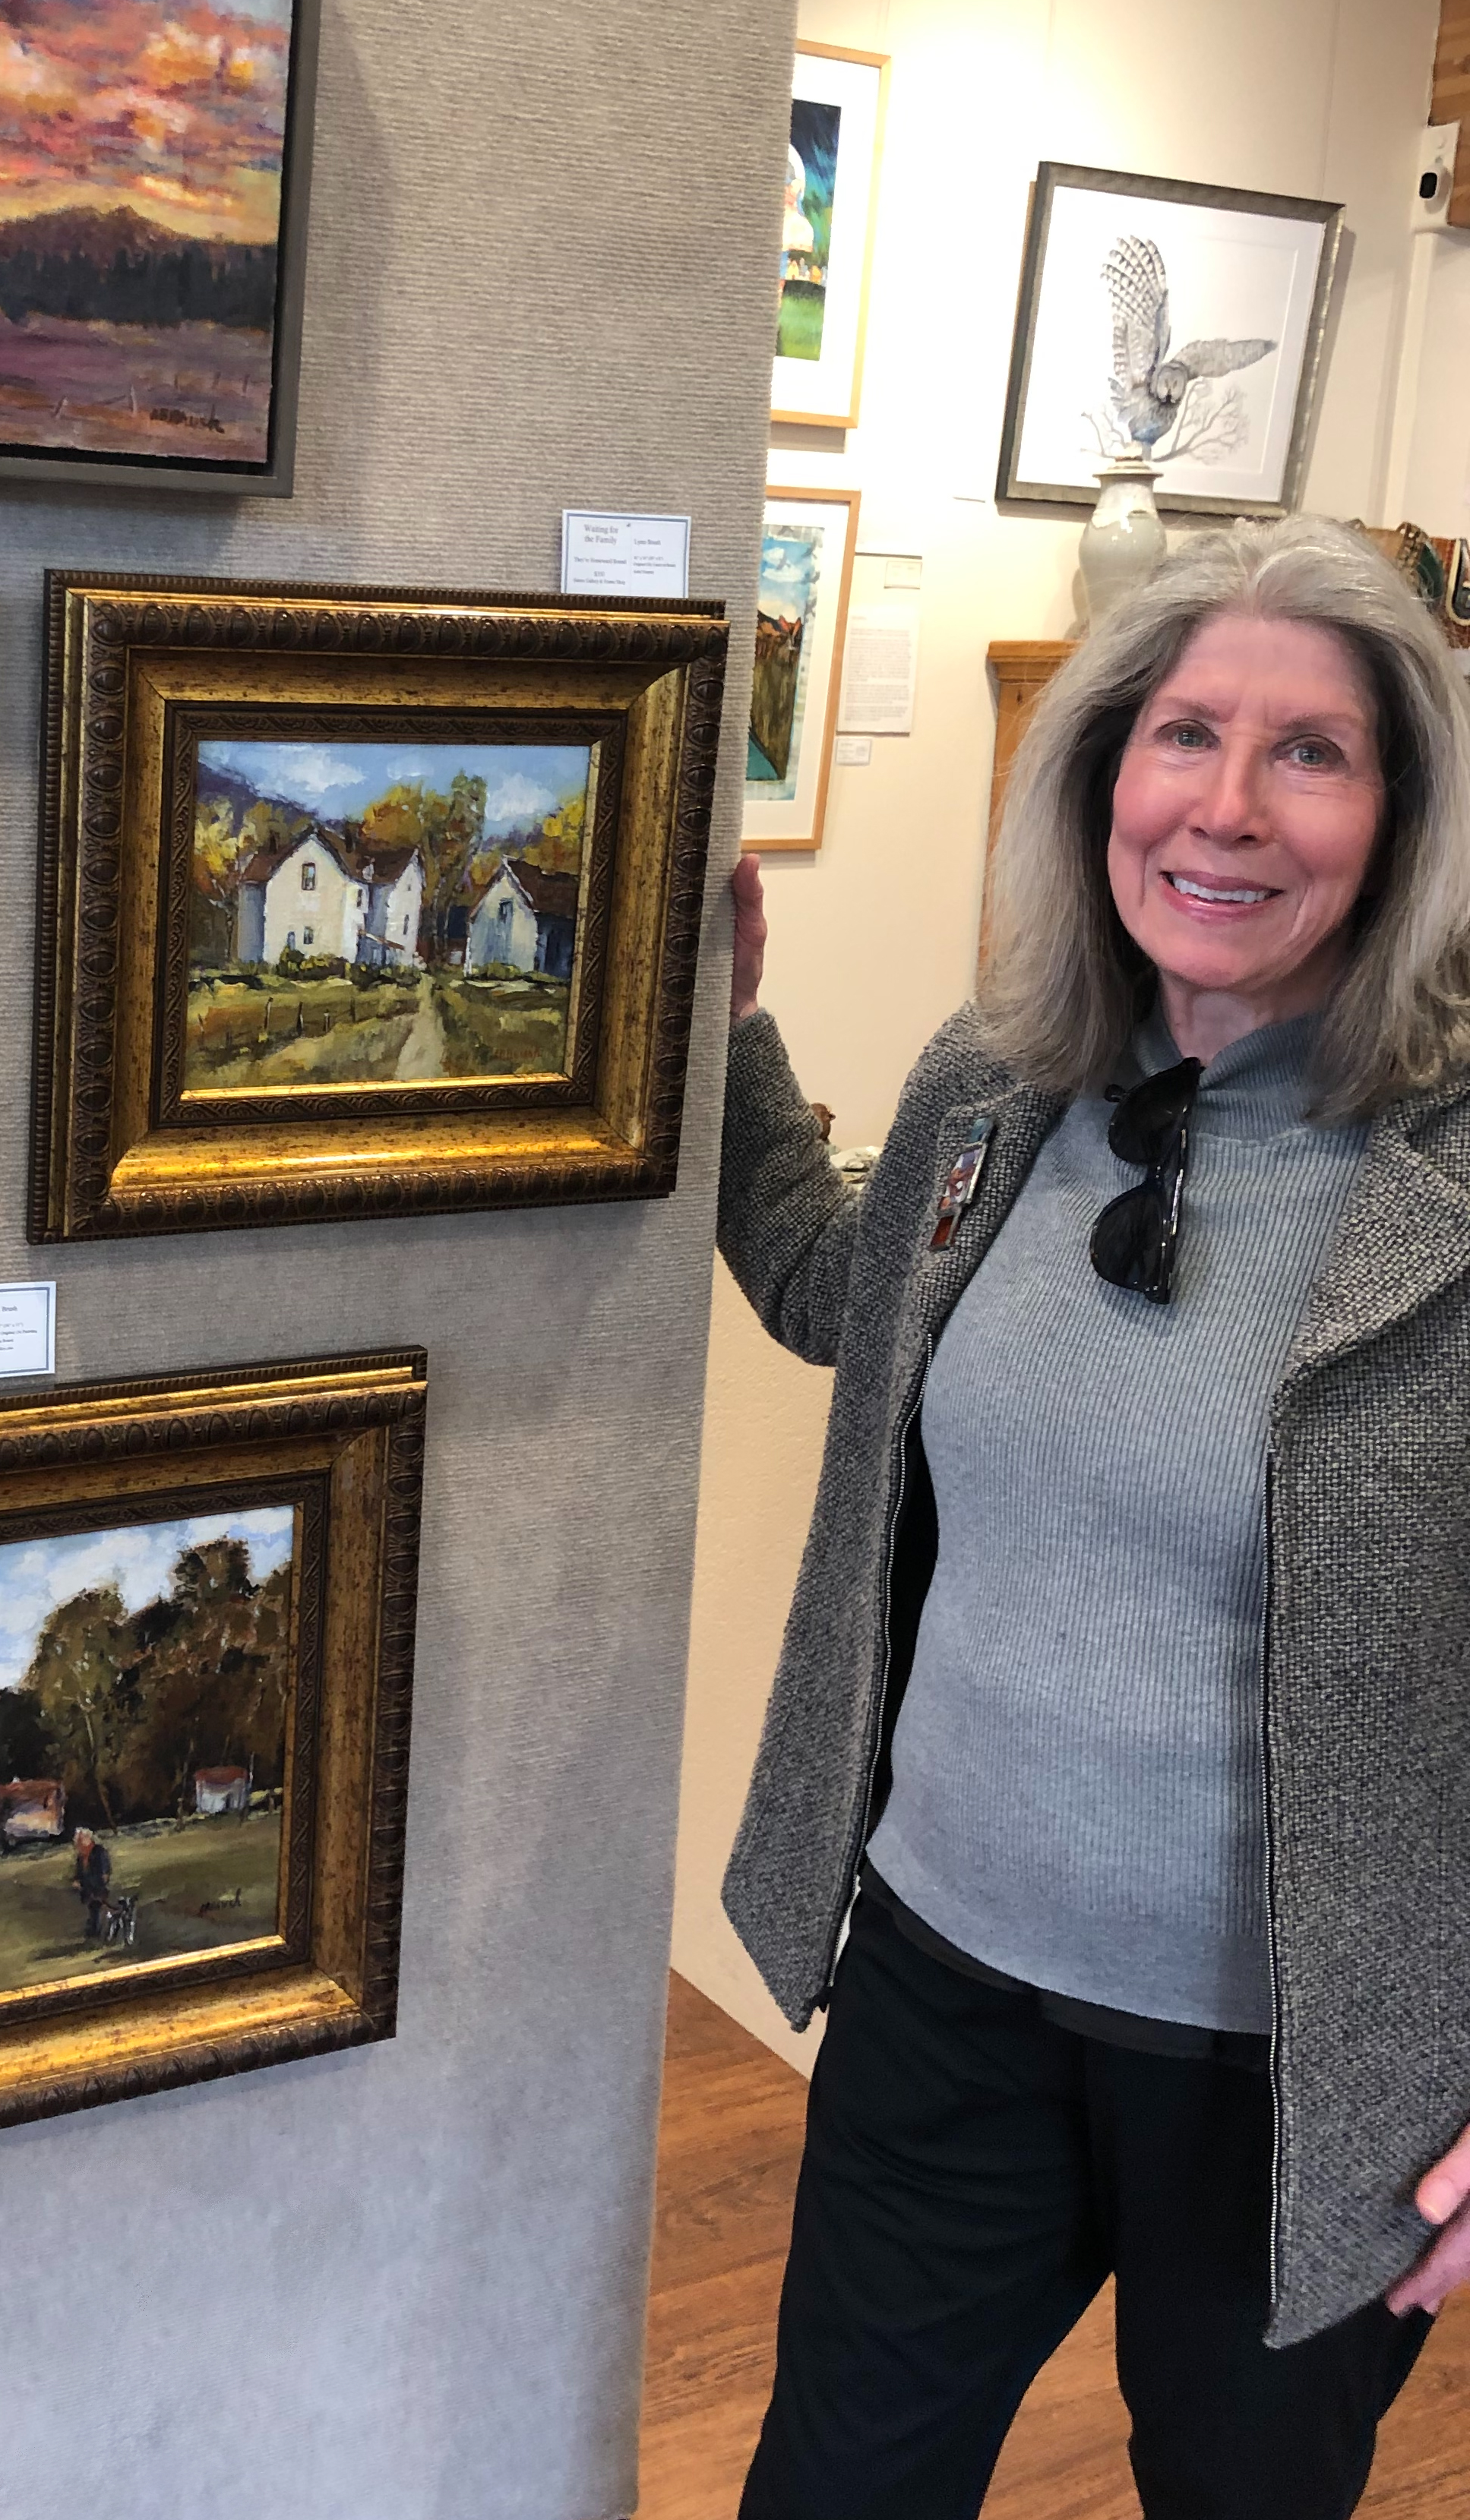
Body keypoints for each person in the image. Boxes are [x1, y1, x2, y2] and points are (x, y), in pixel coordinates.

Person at [715, 518, 1470, 2520]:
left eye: (1311, 752)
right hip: (943, 1985)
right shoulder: (1003, 1082)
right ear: (1101, 769)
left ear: (1402, 815)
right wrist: (720, 1037)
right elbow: (833, 1294)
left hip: (1293, 2081)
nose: (1228, 807)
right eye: (1185, 735)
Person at [71, 1826, 114, 1941]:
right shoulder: (81, 1857)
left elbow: (104, 1873)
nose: (77, 1844)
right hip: (88, 1890)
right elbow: (79, 1873)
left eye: (79, 1841)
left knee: (98, 1909)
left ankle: (97, 1933)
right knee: (93, 1910)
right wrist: (77, 1881)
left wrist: (88, 1883)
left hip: (98, 1888)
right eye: (77, 1841)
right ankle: (94, 1932)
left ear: (87, 1838)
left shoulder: (99, 1851)